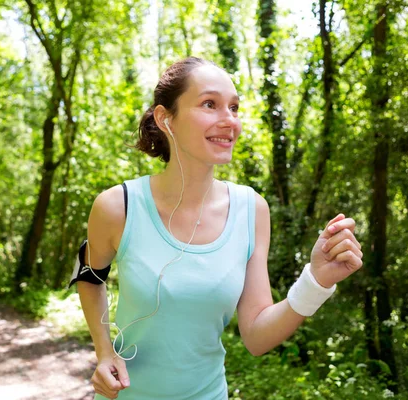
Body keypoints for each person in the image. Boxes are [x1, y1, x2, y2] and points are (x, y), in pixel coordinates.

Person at [74, 57, 363, 399]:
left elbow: (256, 337)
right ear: (165, 119)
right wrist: (104, 350)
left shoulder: (252, 209)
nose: (229, 121)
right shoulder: (117, 206)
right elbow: (90, 276)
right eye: (209, 104)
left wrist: (316, 281)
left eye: (235, 107)